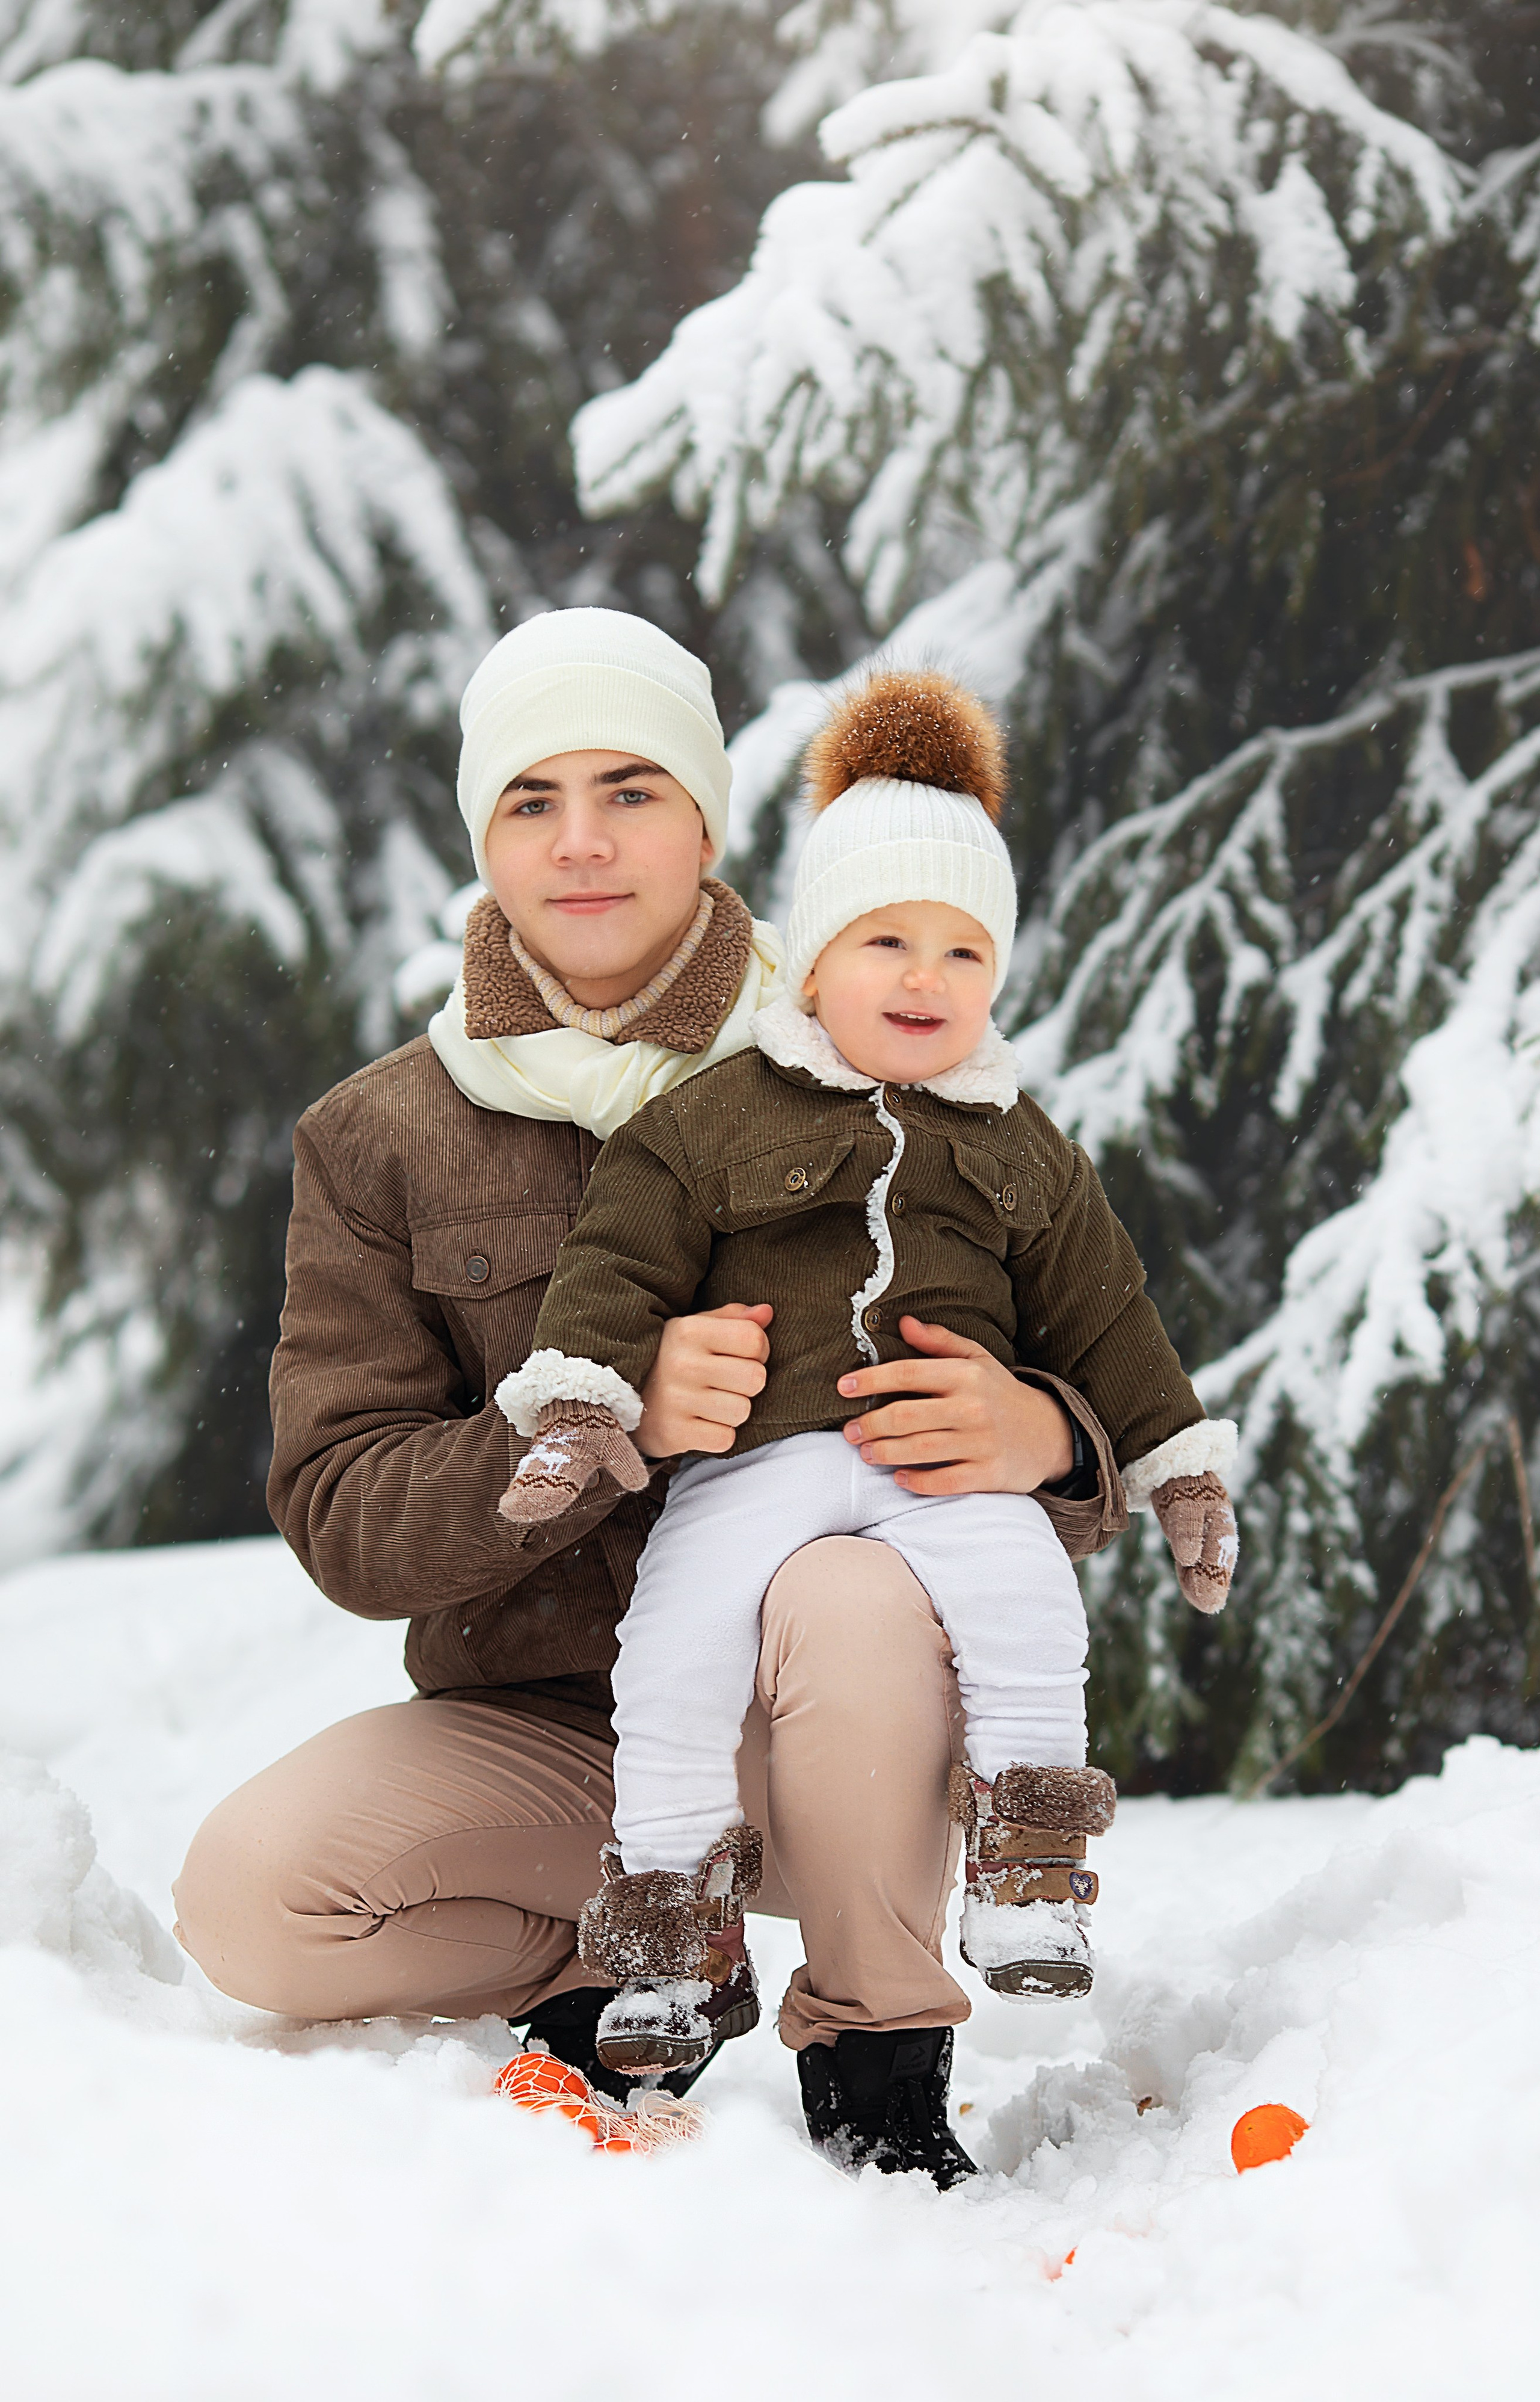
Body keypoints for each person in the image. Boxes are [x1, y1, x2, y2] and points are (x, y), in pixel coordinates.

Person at [170, 610, 1143, 2191]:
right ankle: (627, 1959)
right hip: (555, 1733)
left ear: (705, 818)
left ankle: (875, 2061)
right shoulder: (382, 1137)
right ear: (481, 837)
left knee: (843, 1586)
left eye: (631, 790)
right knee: (251, 1898)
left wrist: (1052, 1439)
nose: (583, 845)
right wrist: (590, 1427)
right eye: (530, 802)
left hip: (839, 1724)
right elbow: (341, 1514)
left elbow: (1105, 1365)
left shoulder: (871, 1041)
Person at [492, 671, 1239, 2096]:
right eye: (885, 940)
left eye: (963, 953)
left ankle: (1027, 1852)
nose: (921, 979)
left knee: (1026, 1604)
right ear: (812, 960)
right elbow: (620, 1249)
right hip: (760, 1466)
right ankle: (665, 1923)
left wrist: (1171, 1461)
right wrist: (585, 1395)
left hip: (942, 1472)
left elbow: (1106, 1312)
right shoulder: (720, 1114)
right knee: (674, 1650)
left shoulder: (1021, 1144)